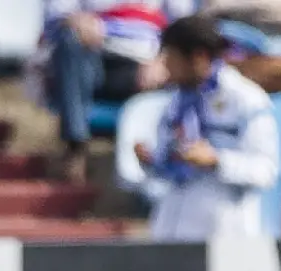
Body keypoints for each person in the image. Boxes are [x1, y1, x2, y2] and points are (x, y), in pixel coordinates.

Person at [135, 15, 278, 242]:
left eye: (171, 58)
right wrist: (151, 162)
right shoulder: (174, 104)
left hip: (224, 231)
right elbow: (167, 168)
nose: (166, 66)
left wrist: (216, 161)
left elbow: (265, 172)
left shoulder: (246, 100)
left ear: (199, 57)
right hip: (172, 226)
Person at [37, 0, 195, 184]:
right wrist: (75, 20)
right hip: (93, 59)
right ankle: (76, 147)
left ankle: (164, 159)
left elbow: (183, 24)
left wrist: (164, 59)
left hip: (145, 62)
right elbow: (57, 14)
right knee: (70, 41)